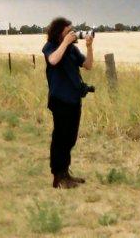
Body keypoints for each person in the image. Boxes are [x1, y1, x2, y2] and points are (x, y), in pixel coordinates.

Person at [42, 17, 93, 189]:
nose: (72, 33)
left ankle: (65, 172)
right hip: (59, 99)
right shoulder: (50, 47)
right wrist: (65, 43)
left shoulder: (72, 50)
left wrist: (89, 46)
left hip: (74, 99)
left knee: (70, 138)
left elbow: (88, 65)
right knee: (60, 138)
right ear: (58, 33)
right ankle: (58, 176)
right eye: (67, 31)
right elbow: (53, 60)